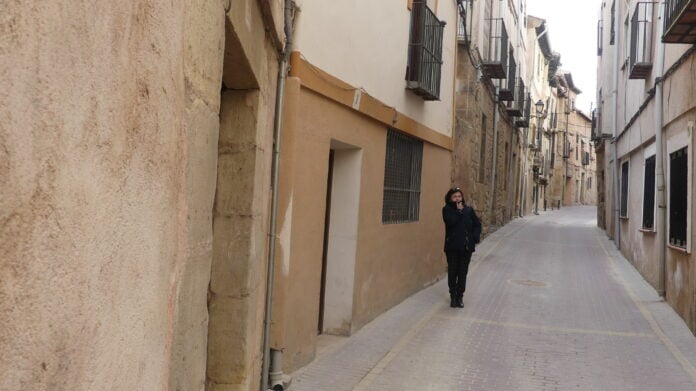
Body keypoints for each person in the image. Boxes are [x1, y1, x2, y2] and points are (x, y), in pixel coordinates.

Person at [442, 187, 481, 308]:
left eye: (459, 196)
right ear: (450, 198)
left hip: (466, 248)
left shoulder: (469, 210)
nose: (457, 199)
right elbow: (450, 222)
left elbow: (477, 224)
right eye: (455, 197)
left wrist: (474, 238)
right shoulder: (447, 210)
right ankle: (453, 297)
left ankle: (460, 296)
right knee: (453, 272)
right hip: (452, 247)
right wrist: (458, 212)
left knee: (462, 273)